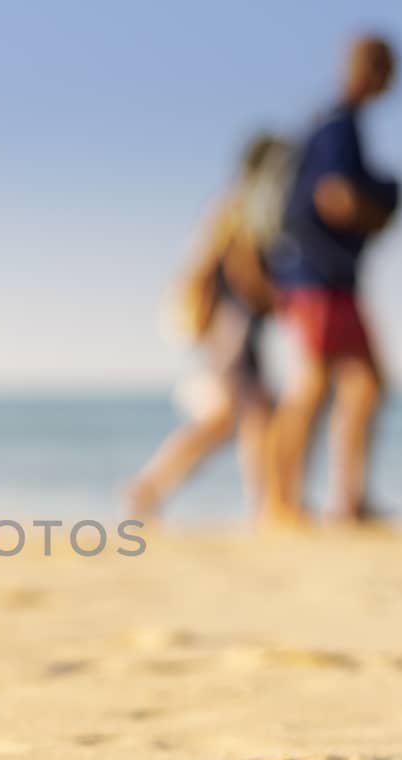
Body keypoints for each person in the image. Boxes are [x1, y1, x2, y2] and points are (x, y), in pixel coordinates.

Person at [267, 35, 402, 524]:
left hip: (330, 278)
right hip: (317, 277)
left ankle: (348, 501)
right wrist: (382, 210)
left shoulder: (335, 123)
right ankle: (281, 501)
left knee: (366, 384)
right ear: (374, 71)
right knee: (317, 384)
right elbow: (335, 199)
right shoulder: (338, 125)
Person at [130, 133, 288, 519]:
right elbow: (242, 268)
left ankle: (265, 503)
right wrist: (279, 299)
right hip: (231, 327)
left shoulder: (233, 206)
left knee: (252, 415)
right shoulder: (241, 208)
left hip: (230, 326)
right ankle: (151, 485)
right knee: (234, 417)